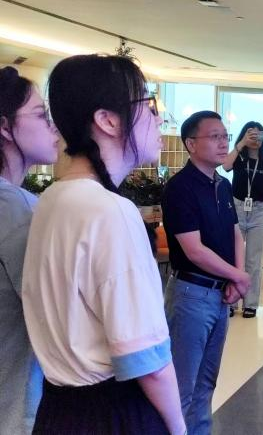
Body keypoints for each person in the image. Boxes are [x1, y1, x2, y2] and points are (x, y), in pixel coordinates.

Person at [21, 54, 185, 434]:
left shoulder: (52, 198)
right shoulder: (110, 211)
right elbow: (146, 360)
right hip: (113, 414)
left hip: (58, 410)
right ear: (107, 120)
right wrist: (179, 427)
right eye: (149, 104)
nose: (159, 119)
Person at [162, 110, 250, 434]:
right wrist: (238, 276)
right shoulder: (180, 188)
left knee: (206, 383)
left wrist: (236, 276)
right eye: (215, 137)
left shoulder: (222, 185)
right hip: (191, 296)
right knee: (181, 388)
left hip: (219, 296)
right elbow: (194, 250)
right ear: (191, 143)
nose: (223, 143)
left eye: (225, 136)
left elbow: (235, 234)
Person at [0, 66, 58, 434]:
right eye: (40, 115)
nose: (53, 127)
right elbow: (54, 313)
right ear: (5, 127)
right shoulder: (17, 207)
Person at [222, 121, 263, 318]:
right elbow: (225, 165)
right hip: (237, 207)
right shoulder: (239, 158)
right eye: (251, 135)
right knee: (233, 256)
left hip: (258, 210)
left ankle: (251, 303)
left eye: (258, 135)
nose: (255, 139)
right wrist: (241, 144)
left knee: (253, 259)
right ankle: (231, 301)